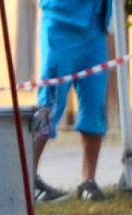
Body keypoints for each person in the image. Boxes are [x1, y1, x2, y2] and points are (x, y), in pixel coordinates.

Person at [33, 0, 111, 203]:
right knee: (49, 103)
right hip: (60, 20)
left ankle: (88, 182)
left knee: (95, 105)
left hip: (96, 23)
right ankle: (27, 180)